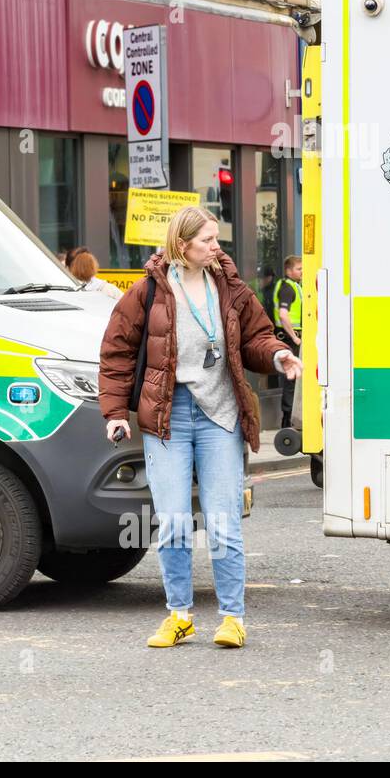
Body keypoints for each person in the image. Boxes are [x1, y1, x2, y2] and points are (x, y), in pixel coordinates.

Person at [97, 206, 302, 650]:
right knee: (172, 521)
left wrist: (277, 356)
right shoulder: (146, 292)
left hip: (220, 414)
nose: (216, 247)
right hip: (168, 414)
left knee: (224, 521)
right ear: (182, 244)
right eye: (208, 240)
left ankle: (232, 618)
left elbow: (256, 337)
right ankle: (179, 615)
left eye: (216, 239)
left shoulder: (229, 287)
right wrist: (114, 413)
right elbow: (116, 353)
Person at [272, 255, 303, 429]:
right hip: (289, 339)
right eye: (299, 269)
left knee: (294, 379)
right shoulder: (287, 288)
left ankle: (289, 417)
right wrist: (295, 337)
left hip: (291, 338)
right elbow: (284, 315)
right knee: (291, 380)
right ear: (289, 270)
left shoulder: (295, 287)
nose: (302, 272)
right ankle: (287, 419)